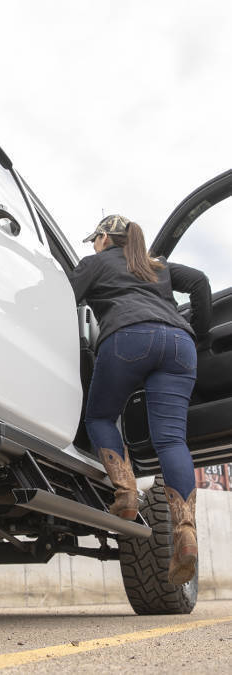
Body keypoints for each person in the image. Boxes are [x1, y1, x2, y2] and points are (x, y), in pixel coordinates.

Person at [70, 214, 212, 585]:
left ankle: (127, 492)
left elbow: (62, 297)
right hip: (180, 345)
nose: (93, 245)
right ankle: (185, 531)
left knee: (100, 417)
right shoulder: (154, 265)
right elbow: (199, 281)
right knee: (171, 440)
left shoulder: (95, 264)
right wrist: (200, 332)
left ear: (103, 237)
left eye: (94, 239)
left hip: (128, 338)